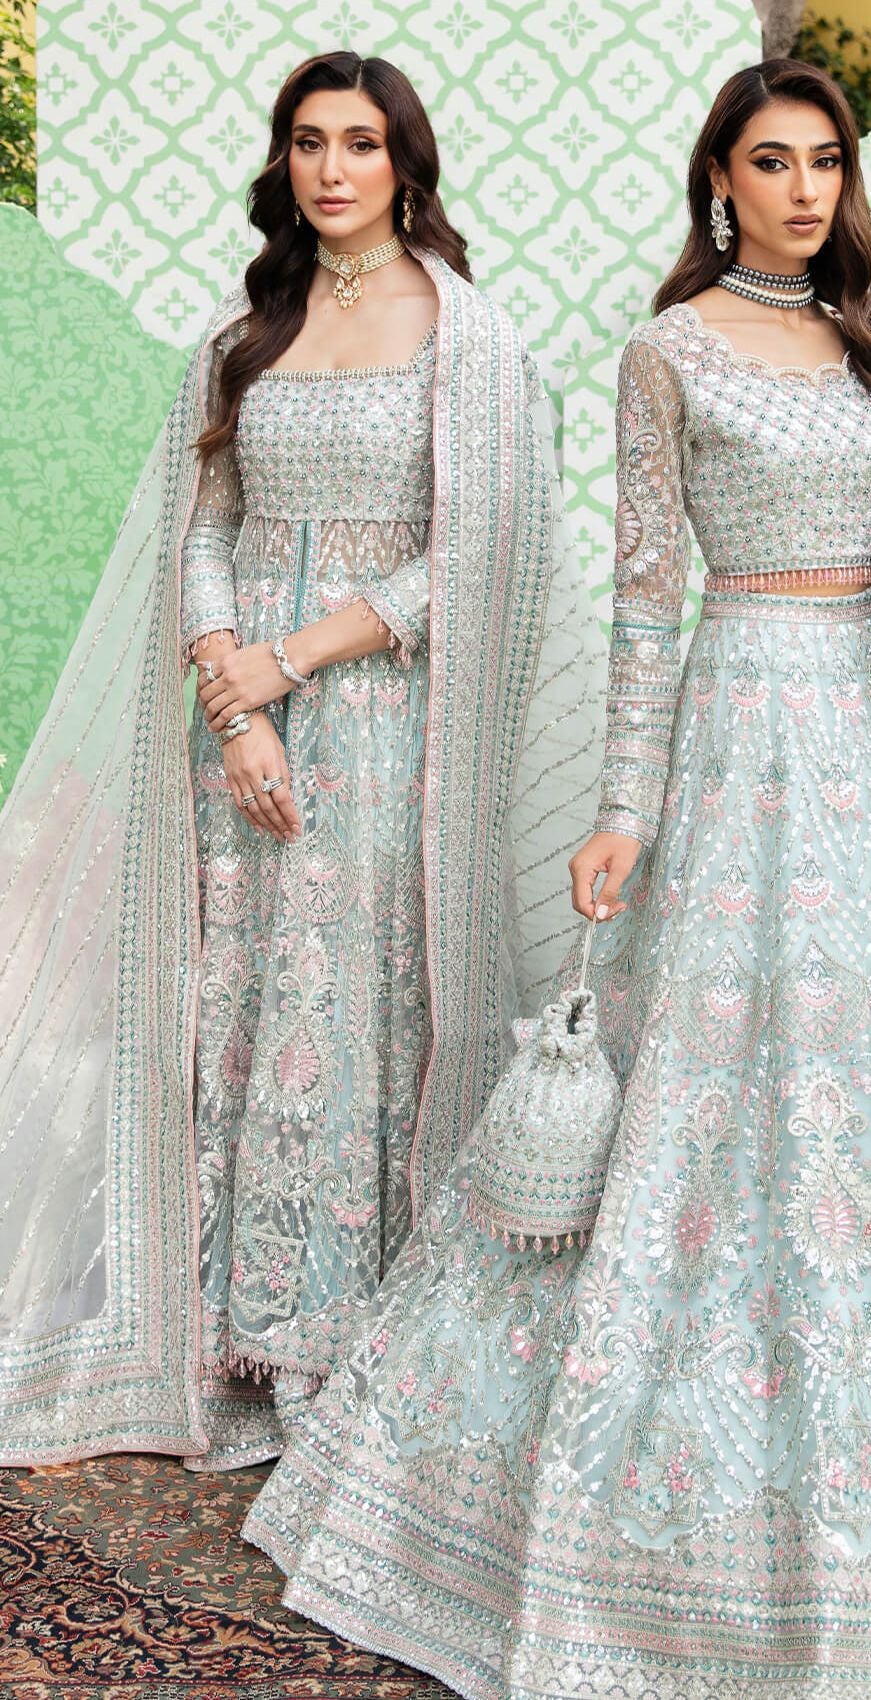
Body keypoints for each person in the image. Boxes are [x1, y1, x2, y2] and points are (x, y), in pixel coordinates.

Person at [244, 61, 871, 1698]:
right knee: (712, 1087)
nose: (806, 189)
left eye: (826, 161)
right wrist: (623, 810)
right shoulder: (667, 354)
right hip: (740, 730)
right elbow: (644, 603)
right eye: (773, 162)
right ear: (721, 182)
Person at [0, 51, 599, 1471]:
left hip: (390, 734)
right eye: (310, 141)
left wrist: (296, 658)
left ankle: (342, 1343)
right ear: (284, 161)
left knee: (359, 1015)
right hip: (239, 742)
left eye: (362, 142)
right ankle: (222, 1331)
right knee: (231, 1006)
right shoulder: (245, 333)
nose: (334, 168)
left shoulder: (470, 340)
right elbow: (202, 525)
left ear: (407, 163)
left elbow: (482, 552)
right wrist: (235, 699)